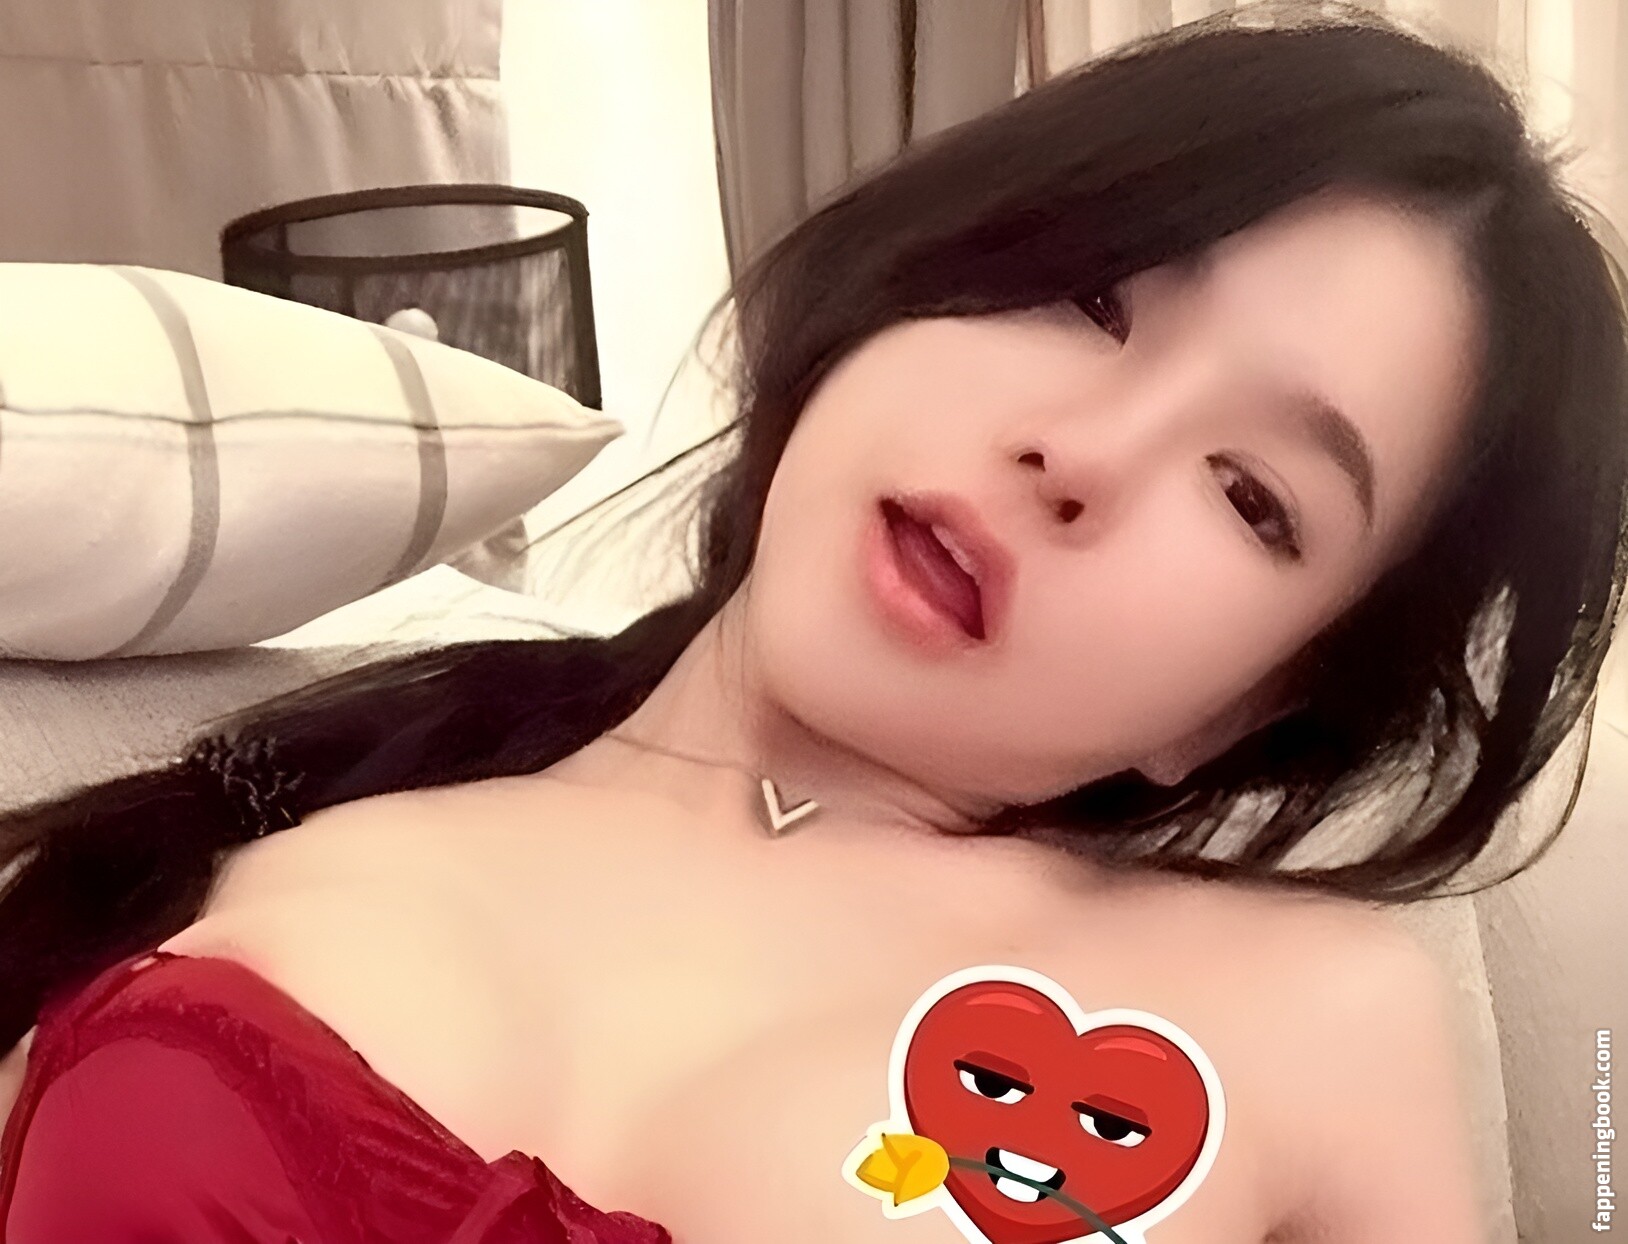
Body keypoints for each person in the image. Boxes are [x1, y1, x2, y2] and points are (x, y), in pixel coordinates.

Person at [2, 1, 1627, 1240]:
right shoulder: (216, 849)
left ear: (1262, 701)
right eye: (1093, 295)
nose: (1083, 454)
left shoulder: (1319, 1020)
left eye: (1252, 496)